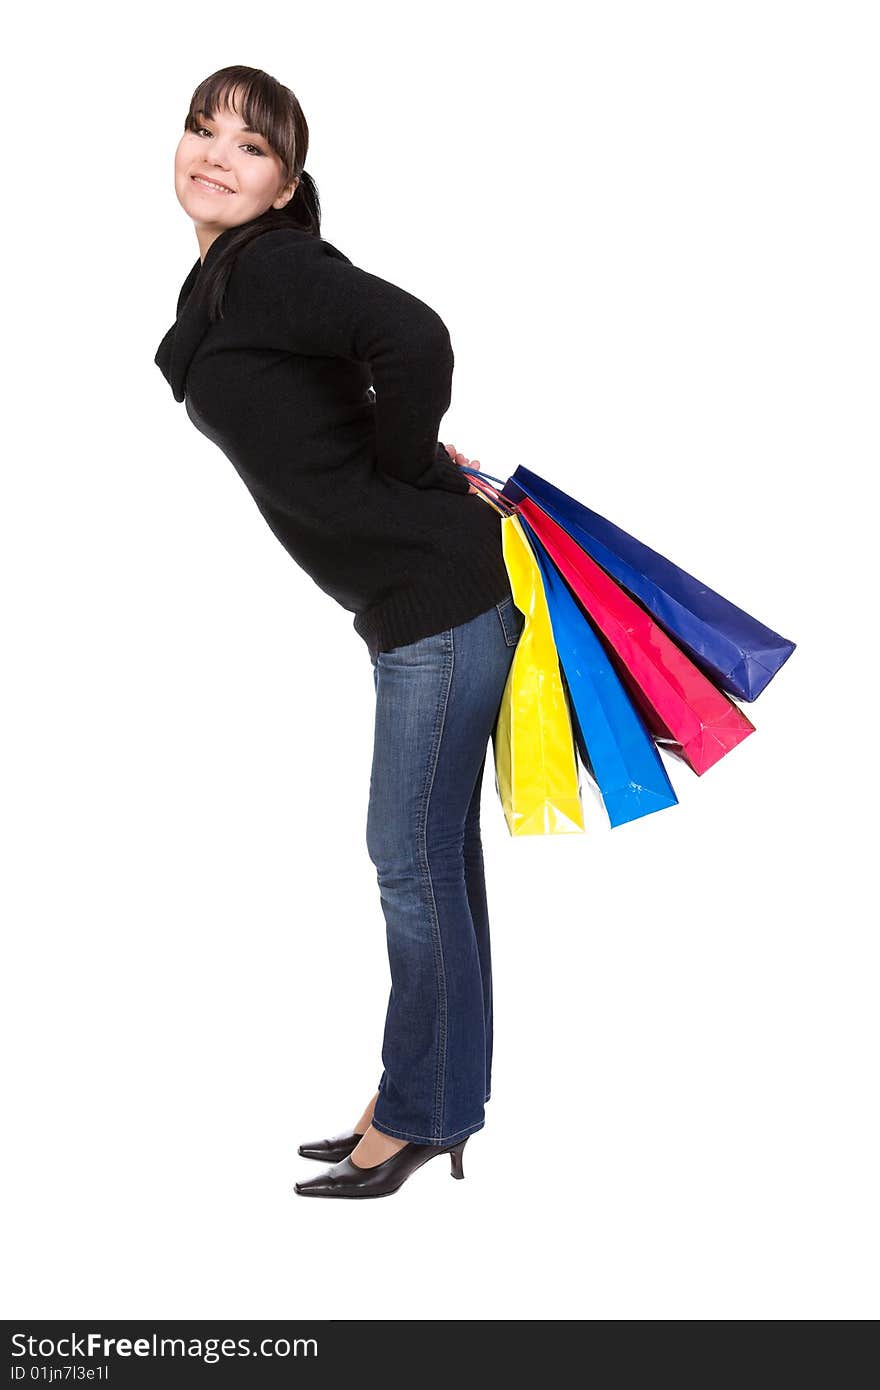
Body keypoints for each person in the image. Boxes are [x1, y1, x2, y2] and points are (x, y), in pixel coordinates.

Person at [155, 65, 524, 1199]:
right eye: (200, 129)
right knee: (431, 867)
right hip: (417, 605)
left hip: (438, 600)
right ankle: (424, 1098)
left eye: (250, 147)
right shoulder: (227, 279)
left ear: (285, 186)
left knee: (409, 866)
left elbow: (414, 336)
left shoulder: (272, 267)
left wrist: (409, 466)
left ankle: (420, 1113)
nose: (215, 155)